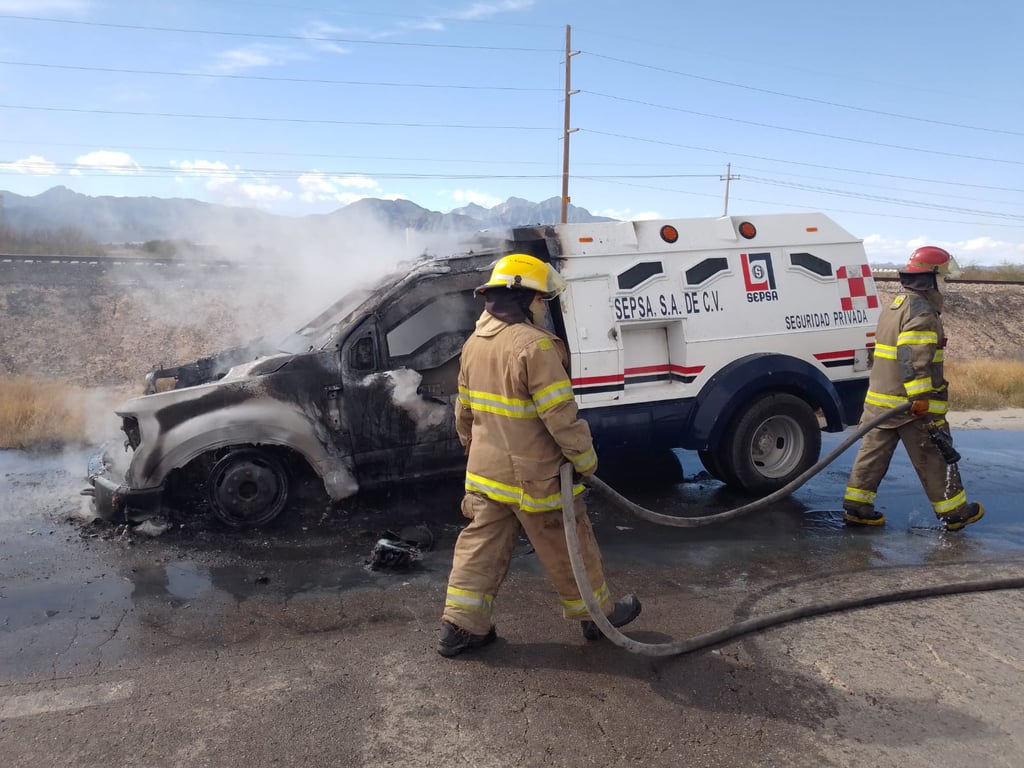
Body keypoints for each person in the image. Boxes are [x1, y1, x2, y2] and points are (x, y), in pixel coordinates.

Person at [438, 253, 641, 657]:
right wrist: (585, 463)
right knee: (568, 541)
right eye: (542, 300)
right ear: (525, 298)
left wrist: (474, 450)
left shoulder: (473, 344)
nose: (544, 307)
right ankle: (597, 617)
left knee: (481, 547)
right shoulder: (534, 347)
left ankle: (460, 627)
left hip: (485, 474)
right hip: (536, 478)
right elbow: (560, 417)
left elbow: (464, 412)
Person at [843, 246, 984, 531]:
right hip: (910, 406)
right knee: (934, 454)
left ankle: (857, 507)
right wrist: (920, 397)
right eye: (942, 277)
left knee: (872, 455)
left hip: (881, 402)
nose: (945, 283)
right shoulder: (922, 310)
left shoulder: (895, 305)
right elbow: (912, 356)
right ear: (930, 278)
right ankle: (955, 513)